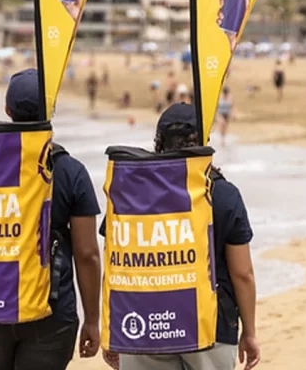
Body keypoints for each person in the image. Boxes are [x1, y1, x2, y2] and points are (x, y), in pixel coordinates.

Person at [0, 69, 102, 370]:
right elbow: (87, 254)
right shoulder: (71, 171)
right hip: (52, 311)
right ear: (51, 111)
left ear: (7, 111)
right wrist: (92, 320)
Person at [103, 103, 260, 370]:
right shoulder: (222, 194)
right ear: (203, 142)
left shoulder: (132, 193)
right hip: (211, 328)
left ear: (158, 141)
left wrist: (113, 330)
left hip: (143, 326)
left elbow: (117, 267)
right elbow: (242, 274)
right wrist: (250, 332)